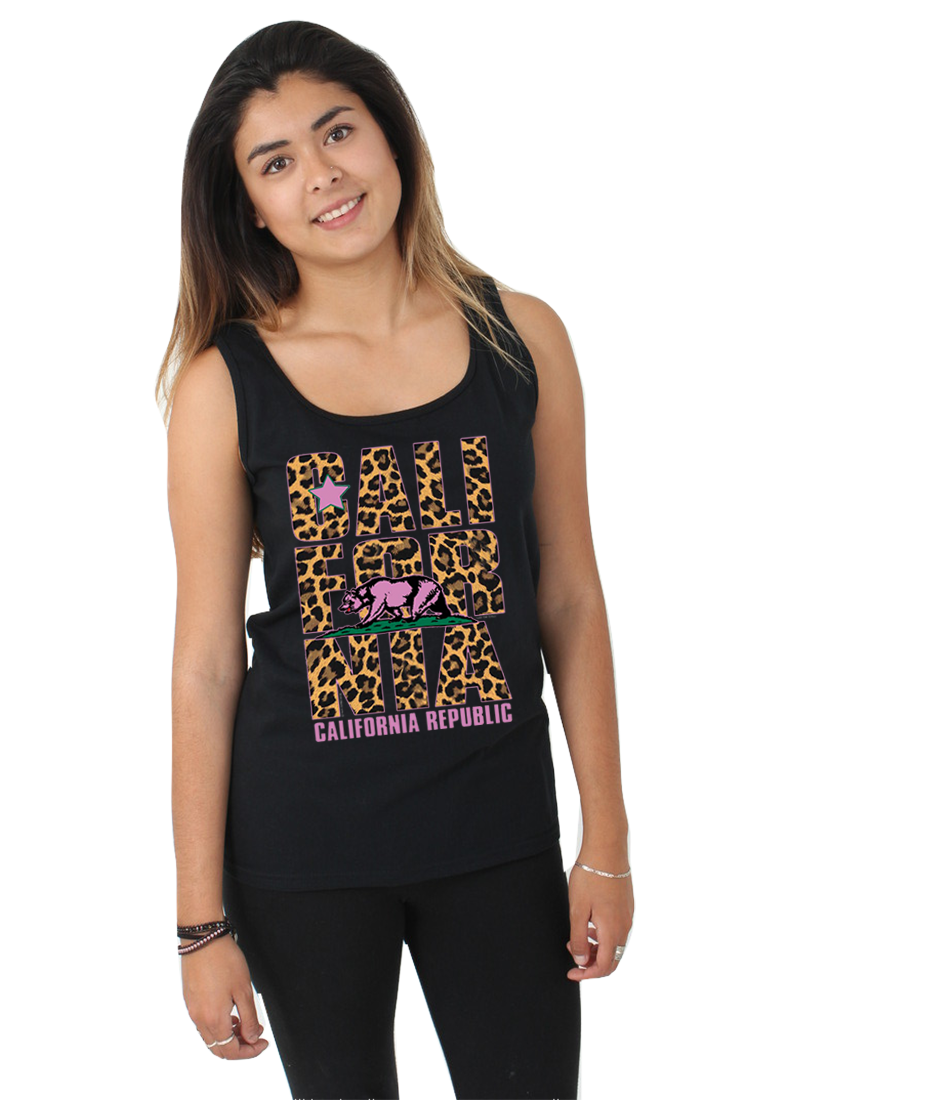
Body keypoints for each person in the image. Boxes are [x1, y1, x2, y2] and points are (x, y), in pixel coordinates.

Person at [155, 20, 634, 1100]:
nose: (322, 175)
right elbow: (205, 663)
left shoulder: (522, 338)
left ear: (392, 136)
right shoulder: (223, 386)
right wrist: (198, 925)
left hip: (498, 835)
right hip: (302, 852)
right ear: (250, 204)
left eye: (338, 133)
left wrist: (604, 837)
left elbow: (568, 593)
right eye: (276, 162)